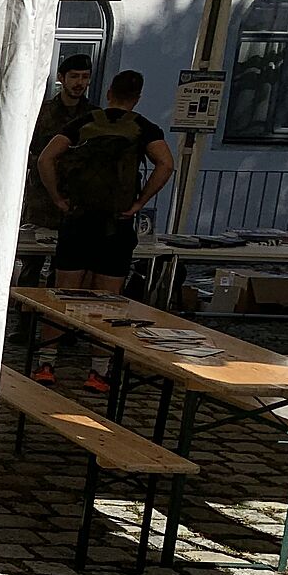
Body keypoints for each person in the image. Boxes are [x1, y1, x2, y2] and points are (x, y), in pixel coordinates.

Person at [33, 69, 175, 392]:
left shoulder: (84, 122)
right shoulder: (144, 128)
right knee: (108, 301)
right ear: (137, 98)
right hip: (117, 224)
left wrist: (57, 197)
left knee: (62, 294)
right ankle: (98, 371)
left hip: (78, 220)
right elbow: (167, 164)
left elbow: (46, 159)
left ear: (109, 91)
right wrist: (141, 201)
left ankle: (46, 364)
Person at [23, 53, 95, 230]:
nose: (79, 83)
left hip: (77, 200)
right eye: (74, 76)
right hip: (41, 200)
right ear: (61, 78)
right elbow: (25, 151)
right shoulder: (42, 113)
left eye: (85, 77)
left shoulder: (94, 116)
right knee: (32, 253)